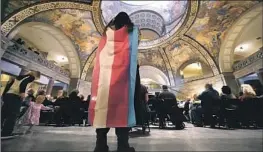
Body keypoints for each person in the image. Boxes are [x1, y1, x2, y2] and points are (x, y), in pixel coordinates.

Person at [89, 12, 140, 152]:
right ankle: (123, 146)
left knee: (102, 110)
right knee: (122, 109)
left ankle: (100, 145)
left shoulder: (107, 33)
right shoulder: (132, 31)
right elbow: (134, 50)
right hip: (124, 77)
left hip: (105, 78)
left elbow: (101, 54)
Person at [1, 71, 40, 137]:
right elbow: (23, 83)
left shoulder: (19, 77)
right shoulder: (31, 77)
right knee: (13, 114)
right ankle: (6, 132)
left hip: (8, 95)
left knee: (3, 113)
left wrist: (4, 95)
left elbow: (8, 85)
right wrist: (22, 92)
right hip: (16, 96)